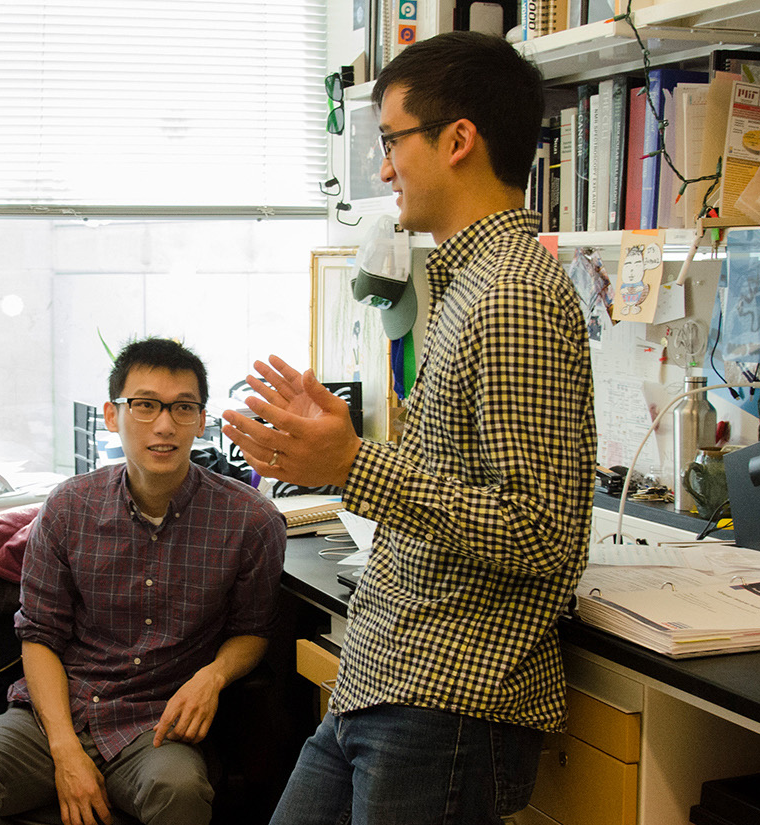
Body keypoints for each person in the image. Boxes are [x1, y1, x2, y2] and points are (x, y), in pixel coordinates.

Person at [222, 32, 596, 824]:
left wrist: (355, 464)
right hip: (390, 671)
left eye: (393, 141)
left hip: (449, 699)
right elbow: (465, 477)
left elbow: (539, 531)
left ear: (458, 140)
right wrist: (347, 448)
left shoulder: (513, 295)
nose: (385, 167)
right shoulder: (466, 284)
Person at [0, 338, 287, 825]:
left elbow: (253, 630)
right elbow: (39, 636)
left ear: (202, 420)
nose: (164, 425)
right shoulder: (69, 507)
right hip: (61, 711)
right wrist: (65, 753)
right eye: (144, 405)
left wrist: (214, 675)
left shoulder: (251, 520)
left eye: (183, 407)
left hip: (157, 723)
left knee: (178, 791)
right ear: (112, 415)